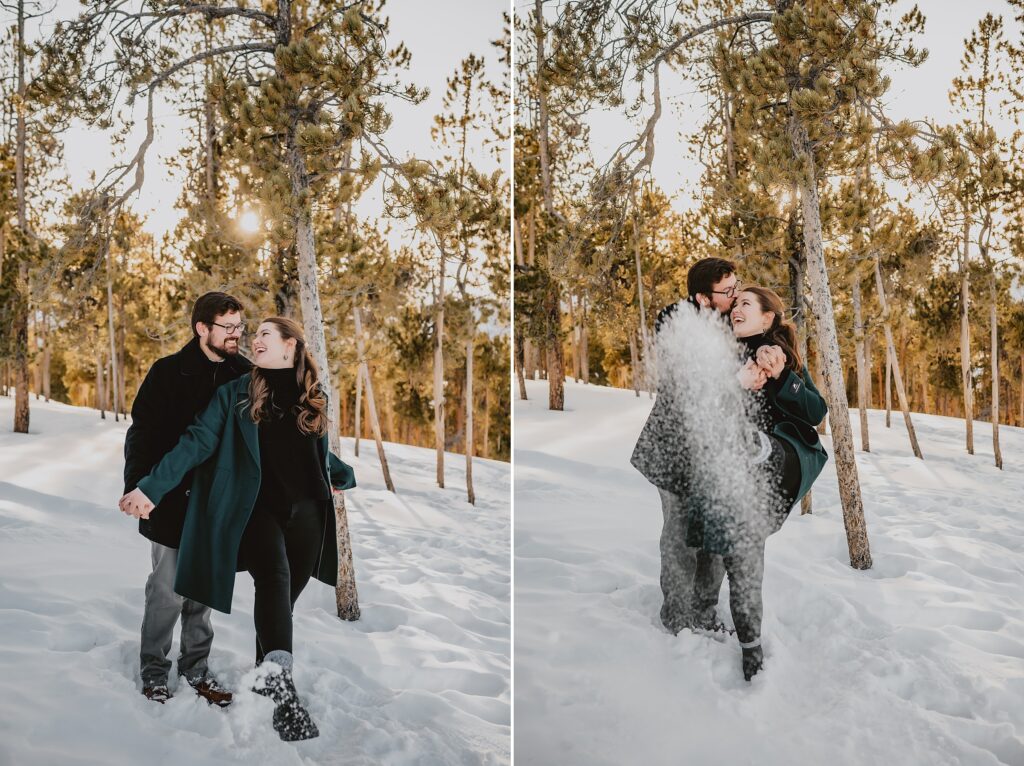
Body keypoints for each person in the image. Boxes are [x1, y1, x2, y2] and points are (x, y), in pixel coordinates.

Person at [119, 317, 356, 742]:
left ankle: (267, 671)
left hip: (306, 510)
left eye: (264, 334)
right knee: (274, 577)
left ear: (290, 346)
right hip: (255, 510)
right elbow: (196, 441)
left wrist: (340, 471)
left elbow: (312, 451)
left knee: (285, 597)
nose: (254, 340)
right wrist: (149, 487)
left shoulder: (313, 395)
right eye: (254, 334)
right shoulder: (237, 392)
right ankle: (283, 690)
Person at [687, 286, 828, 680]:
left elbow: (817, 412)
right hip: (730, 479)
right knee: (731, 549)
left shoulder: (780, 355)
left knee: (751, 449)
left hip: (780, 465)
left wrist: (783, 374)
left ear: (768, 318)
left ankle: (755, 446)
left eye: (745, 304)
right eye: (734, 304)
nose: (736, 309)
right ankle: (748, 644)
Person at [123, 291, 250, 706]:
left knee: (203, 589)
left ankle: (195, 667)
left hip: (218, 502)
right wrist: (139, 486)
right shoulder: (167, 372)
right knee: (167, 589)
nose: (236, 334)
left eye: (239, 327)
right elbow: (141, 433)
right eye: (227, 327)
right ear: (202, 328)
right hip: (171, 498)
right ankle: (154, 670)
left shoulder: (245, 375)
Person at [631, 257, 741, 636]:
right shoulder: (677, 318)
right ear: (703, 297)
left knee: (716, 538)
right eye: (727, 291)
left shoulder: (736, 322)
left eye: (736, 285)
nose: (735, 294)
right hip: (675, 452)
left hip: (719, 454)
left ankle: (705, 612)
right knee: (681, 537)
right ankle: (677, 618)